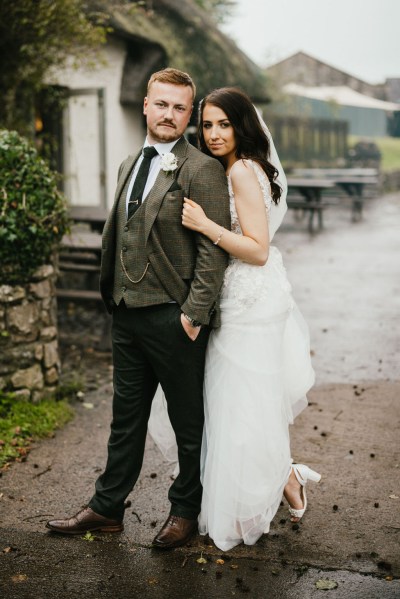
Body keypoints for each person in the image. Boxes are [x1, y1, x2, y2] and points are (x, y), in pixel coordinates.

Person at [46, 68, 231, 549]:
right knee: (125, 418)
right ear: (146, 105)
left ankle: (185, 510)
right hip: (126, 314)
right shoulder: (130, 161)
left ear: (189, 115)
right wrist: (113, 296)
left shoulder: (200, 168)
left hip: (174, 317)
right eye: (161, 104)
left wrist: (192, 314)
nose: (169, 115)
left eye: (179, 108)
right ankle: (107, 508)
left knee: (188, 422)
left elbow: (214, 251)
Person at [151, 87, 320, 551]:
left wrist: (207, 226)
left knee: (240, 403)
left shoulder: (244, 170)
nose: (214, 133)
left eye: (224, 124)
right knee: (240, 403)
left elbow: (258, 250)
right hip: (240, 297)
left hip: (250, 300)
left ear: (242, 125)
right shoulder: (232, 167)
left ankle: (267, 490)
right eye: (207, 125)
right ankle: (281, 476)